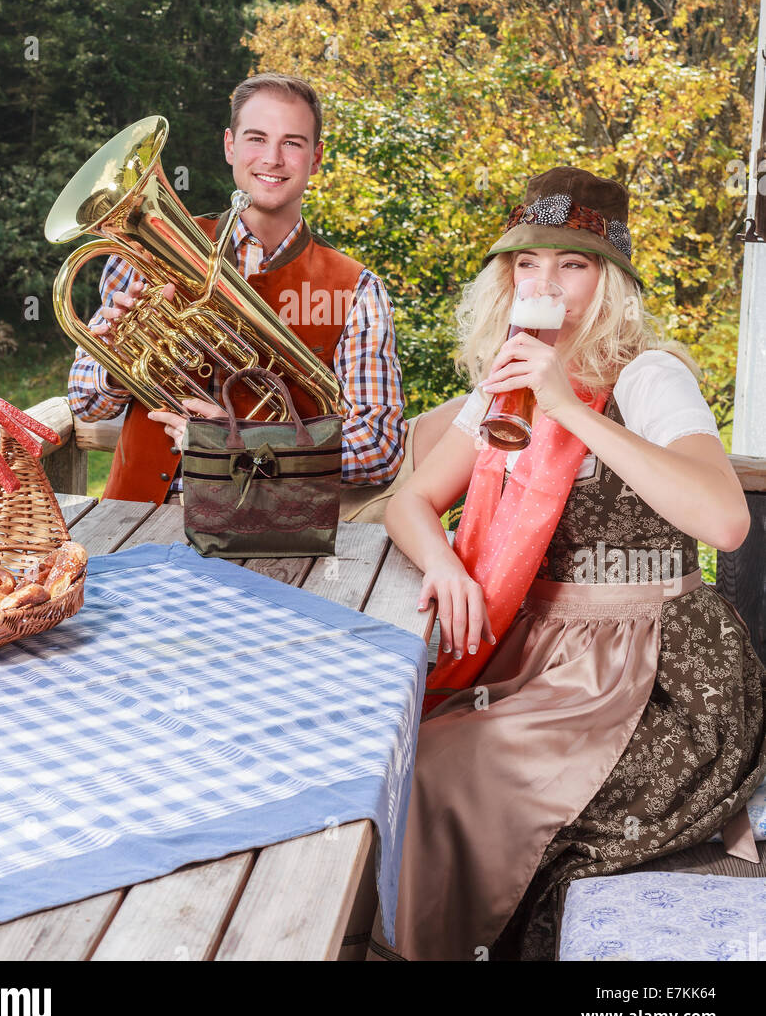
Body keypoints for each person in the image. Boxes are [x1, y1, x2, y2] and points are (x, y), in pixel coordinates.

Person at [366, 165, 766, 962]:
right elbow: (406, 503)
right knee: (391, 745)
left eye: (572, 265)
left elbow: (725, 522)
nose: (546, 284)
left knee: (446, 771)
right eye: (528, 265)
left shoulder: (652, 377)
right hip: (542, 652)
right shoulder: (505, 382)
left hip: (655, 666)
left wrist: (568, 408)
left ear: (610, 280)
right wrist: (444, 565)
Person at [67, 72, 466, 517]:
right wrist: (121, 365)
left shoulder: (357, 290)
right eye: (256, 138)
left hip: (270, 530)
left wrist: (247, 445)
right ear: (230, 146)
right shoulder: (140, 255)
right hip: (136, 517)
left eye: (292, 143)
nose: (272, 159)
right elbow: (86, 402)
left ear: (316, 159)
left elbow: (377, 448)